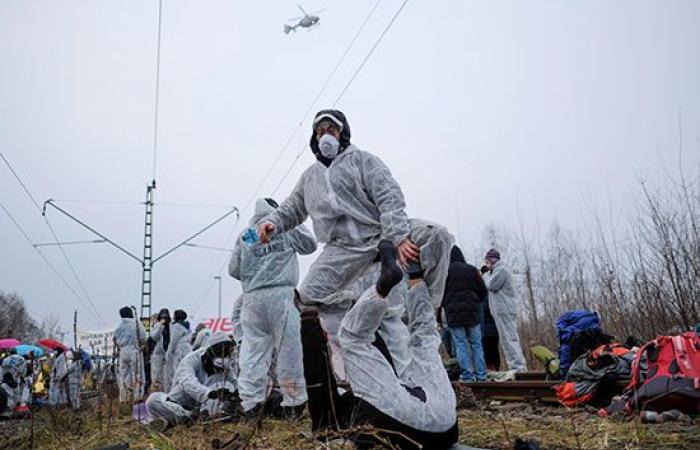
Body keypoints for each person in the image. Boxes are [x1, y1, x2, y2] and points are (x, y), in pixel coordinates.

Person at [258, 109, 453, 379]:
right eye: (320, 131)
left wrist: (398, 237)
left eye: (331, 130)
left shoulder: (363, 161)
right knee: (307, 297)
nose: (325, 136)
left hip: (380, 235)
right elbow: (292, 207)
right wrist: (273, 222)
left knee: (437, 236)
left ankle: (427, 314)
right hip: (342, 249)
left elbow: (389, 197)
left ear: (343, 133)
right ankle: (338, 362)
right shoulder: (310, 177)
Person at [302, 242, 458, 450]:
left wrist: (309, 324)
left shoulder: (332, 414)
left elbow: (318, 379)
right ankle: (414, 279)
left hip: (408, 421)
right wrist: (309, 319)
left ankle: (395, 285)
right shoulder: (378, 388)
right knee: (423, 341)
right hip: (444, 420)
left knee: (357, 338)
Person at [229, 197, 317, 417]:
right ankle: (293, 403)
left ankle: (251, 404)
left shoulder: (246, 236)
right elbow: (310, 245)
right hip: (282, 296)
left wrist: (255, 272)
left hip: (252, 299)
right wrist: (290, 219)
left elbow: (233, 270)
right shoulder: (284, 227)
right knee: (289, 352)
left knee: (252, 353)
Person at [146, 332, 239, 431]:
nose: (223, 359)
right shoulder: (191, 360)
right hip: (179, 405)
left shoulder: (227, 364)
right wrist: (210, 393)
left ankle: (176, 422)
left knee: (223, 388)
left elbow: (234, 382)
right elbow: (188, 382)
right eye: (221, 354)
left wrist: (234, 395)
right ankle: (188, 418)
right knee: (152, 401)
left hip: (204, 408)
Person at [441, 246, 488, 382]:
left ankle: (467, 376)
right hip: (472, 314)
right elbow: (483, 291)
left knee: (460, 344)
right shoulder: (472, 270)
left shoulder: (445, 272)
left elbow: (439, 293)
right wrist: (474, 302)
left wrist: (447, 304)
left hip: (454, 315)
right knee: (476, 344)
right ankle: (481, 375)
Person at [482, 249, 527, 372]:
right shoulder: (496, 271)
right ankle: (516, 366)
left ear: (493, 259)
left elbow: (491, 285)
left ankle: (518, 367)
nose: (486, 263)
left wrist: (484, 274)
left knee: (509, 339)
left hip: (504, 310)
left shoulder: (501, 270)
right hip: (501, 311)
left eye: (488, 260)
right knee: (507, 339)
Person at [114, 306, 147, 402]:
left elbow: (115, 339)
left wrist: (120, 348)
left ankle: (124, 398)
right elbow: (143, 338)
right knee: (137, 375)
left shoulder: (119, 326)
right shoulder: (136, 324)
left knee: (124, 376)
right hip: (134, 350)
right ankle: (137, 398)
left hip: (123, 352)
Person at [164, 309, 192, 392]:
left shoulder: (177, 326)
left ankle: (178, 391)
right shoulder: (187, 326)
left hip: (179, 350)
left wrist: (169, 353)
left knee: (178, 372)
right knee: (187, 371)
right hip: (188, 348)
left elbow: (173, 341)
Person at [149, 308, 171, 391]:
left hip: (169, 353)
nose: (164, 319)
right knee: (157, 376)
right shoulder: (157, 326)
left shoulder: (171, 326)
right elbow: (154, 337)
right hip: (158, 353)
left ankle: (167, 394)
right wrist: (160, 326)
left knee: (168, 376)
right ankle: (158, 393)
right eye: (162, 317)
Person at [480, 296, 501, 371]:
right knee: (494, 350)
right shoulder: (492, 297)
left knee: (489, 352)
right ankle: (496, 369)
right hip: (495, 328)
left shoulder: (485, 298)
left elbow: (484, 311)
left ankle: (492, 370)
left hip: (487, 329)